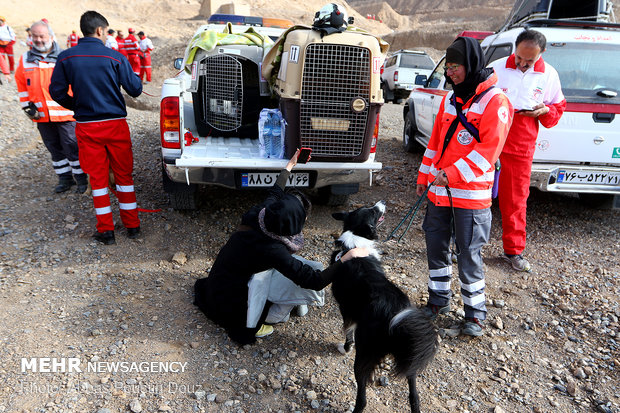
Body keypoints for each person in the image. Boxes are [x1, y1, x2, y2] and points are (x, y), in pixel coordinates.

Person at [194, 149, 369, 345]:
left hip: (224, 275)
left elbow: (275, 191)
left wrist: (291, 164)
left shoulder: (263, 214)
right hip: (231, 298)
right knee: (297, 295)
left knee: (295, 273)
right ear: (293, 224)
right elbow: (314, 281)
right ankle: (261, 323)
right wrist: (348, 256)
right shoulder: (272, 249)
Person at [416, 37, 513, 337]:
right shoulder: (449, 98)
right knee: (436, 248)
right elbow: (435, 144)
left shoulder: (496, 101)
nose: (450, 73)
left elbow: (488, 152)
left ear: (471, 65)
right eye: (448, 66)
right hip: (438, 192)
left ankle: (475, 315)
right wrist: (424, 177)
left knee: (469, 254)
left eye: (456, 67)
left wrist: (452, 175)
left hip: (470, 197)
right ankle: (438, 301)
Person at [50, 10, 143, 245]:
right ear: (100, 30)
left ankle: (106, 231)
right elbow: (135, 89)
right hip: (115, 126)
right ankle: (132, 227)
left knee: (98, 179)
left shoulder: (65, 57)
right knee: (123, 175)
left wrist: (77, 105)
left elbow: (56, 92)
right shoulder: (115, 56)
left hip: (87, 127)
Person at [491, 29, 565, 272]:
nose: (522, 64)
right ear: (515, 48)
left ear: (542, 53)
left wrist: (544, 111)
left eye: (529, 61)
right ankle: (462, 244)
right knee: (473, 192)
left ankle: (513, 251)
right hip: (490, 137)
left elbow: (557, 108)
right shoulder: (497, 68)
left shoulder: (549, 74)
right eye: (519, 58)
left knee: (515, 199)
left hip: (521, 142)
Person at [15, 20, 87, 194]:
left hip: (65, 115)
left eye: (42, 36)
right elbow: (21, 84)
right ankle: (65, 178)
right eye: (34, 36)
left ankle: (82, 179)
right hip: (41, 116)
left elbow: (77, 84)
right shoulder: (25, 59)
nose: (38, 40)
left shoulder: (64, 56)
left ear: (51, 36)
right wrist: (27, 107)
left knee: (72, 146)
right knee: (53, 147)